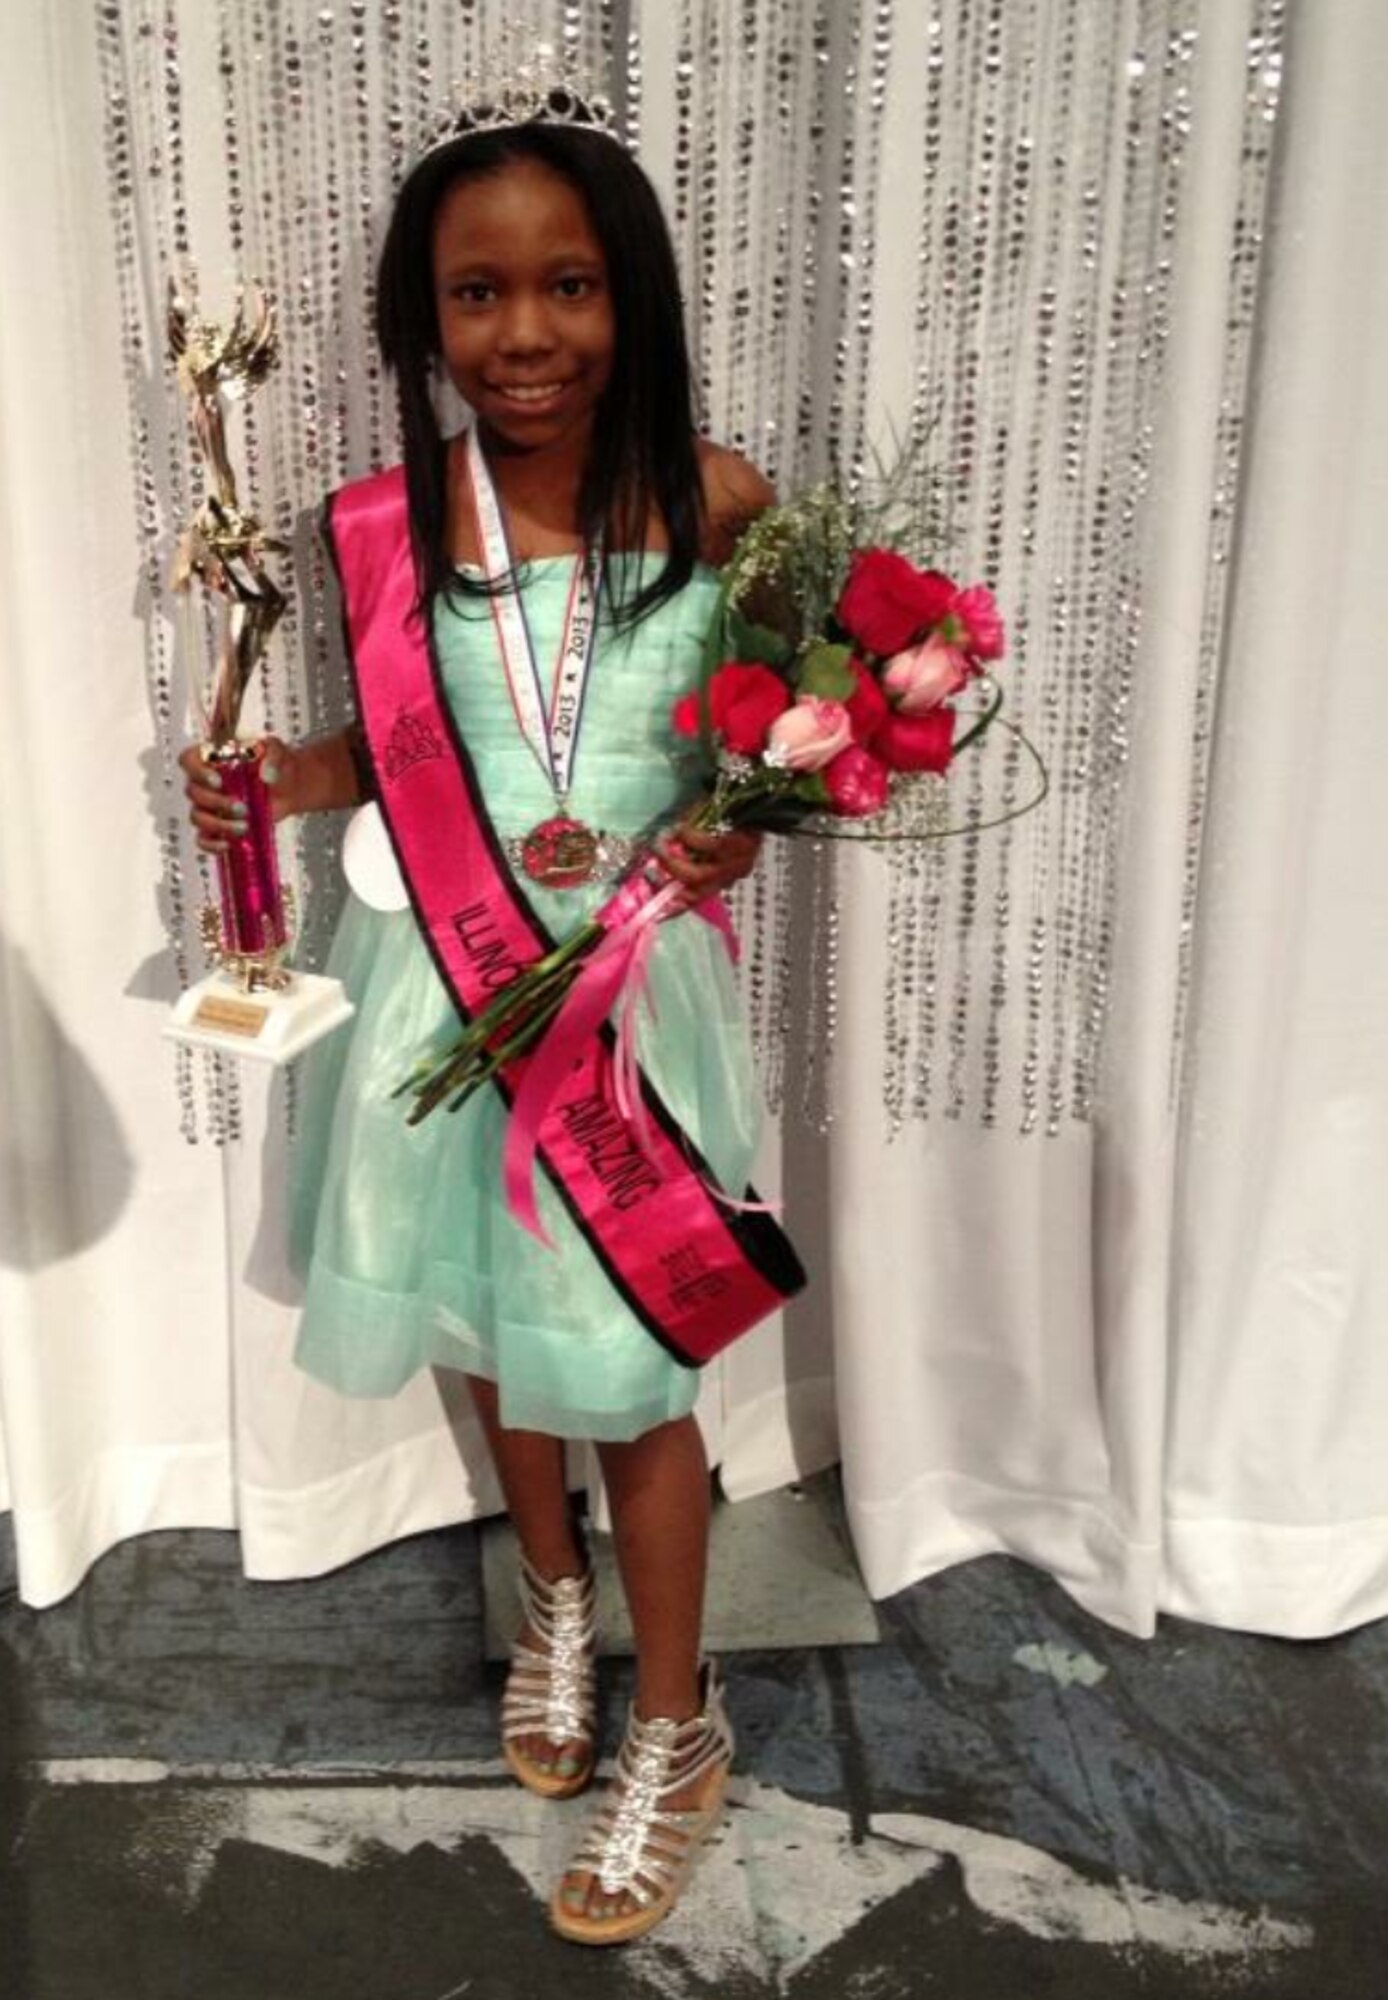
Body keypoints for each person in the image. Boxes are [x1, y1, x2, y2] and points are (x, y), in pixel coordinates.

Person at [180, 75, 804, 1947]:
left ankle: (677, 1728)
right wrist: (275, 783)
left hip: (620, 995)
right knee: (472, 1297)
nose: (525, 334)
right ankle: (551, 1599)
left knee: (634, 1365)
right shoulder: (382, 522)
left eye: (570, 286)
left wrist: (733, 840)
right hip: (430, 977)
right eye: (477, 294)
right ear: (419, 312)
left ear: (634, 300)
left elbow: (767, 757)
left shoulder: (722, 501)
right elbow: (397, 746)